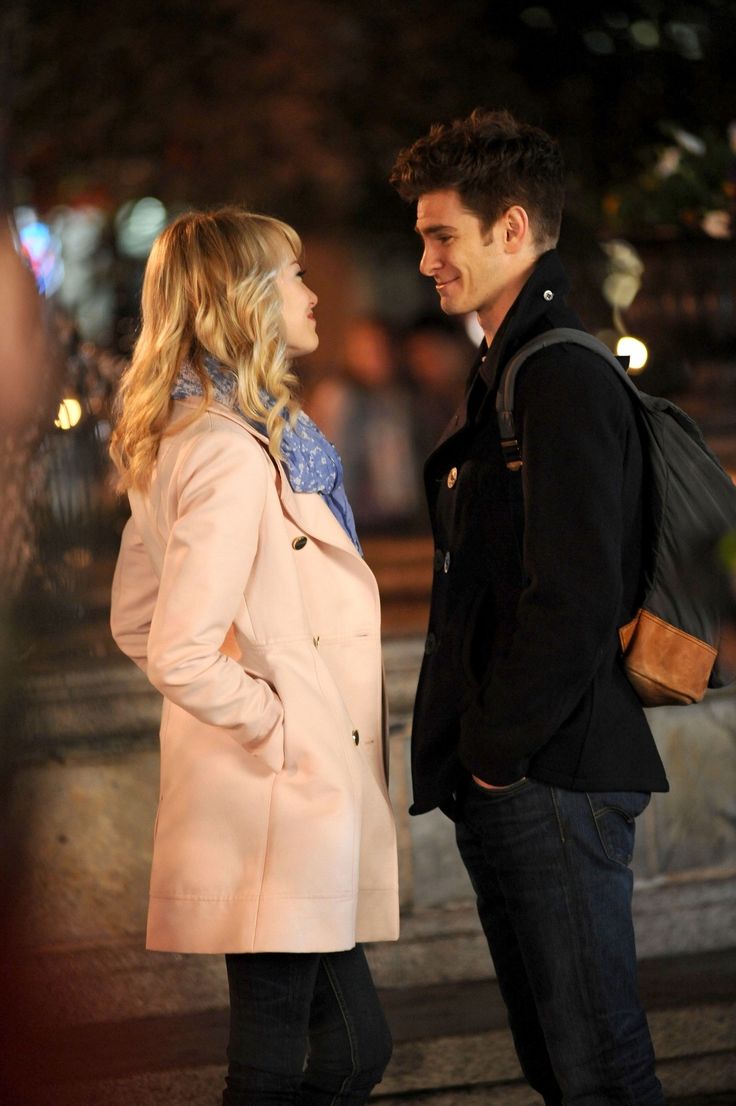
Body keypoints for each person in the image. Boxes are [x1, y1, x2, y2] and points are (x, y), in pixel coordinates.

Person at [390, 110, 668, 1105]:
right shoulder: (515, 364)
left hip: (554, 772)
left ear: (511, 230)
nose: (424, 261)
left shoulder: (553, 373)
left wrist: (494, 752)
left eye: (440, 235)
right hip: (530, 770)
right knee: (566, 1063)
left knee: (595, 1064)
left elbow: (576, 591)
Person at [108, 207, 398, 1105]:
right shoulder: (231, 451)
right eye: (295, 276)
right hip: (280, 798)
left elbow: (131, 616)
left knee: (346, 1053)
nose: (313, 293)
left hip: (283, 802)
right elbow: (175, 649)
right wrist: (279, 726)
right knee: (281, 1066)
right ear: (247, 302)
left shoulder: (204, 434)